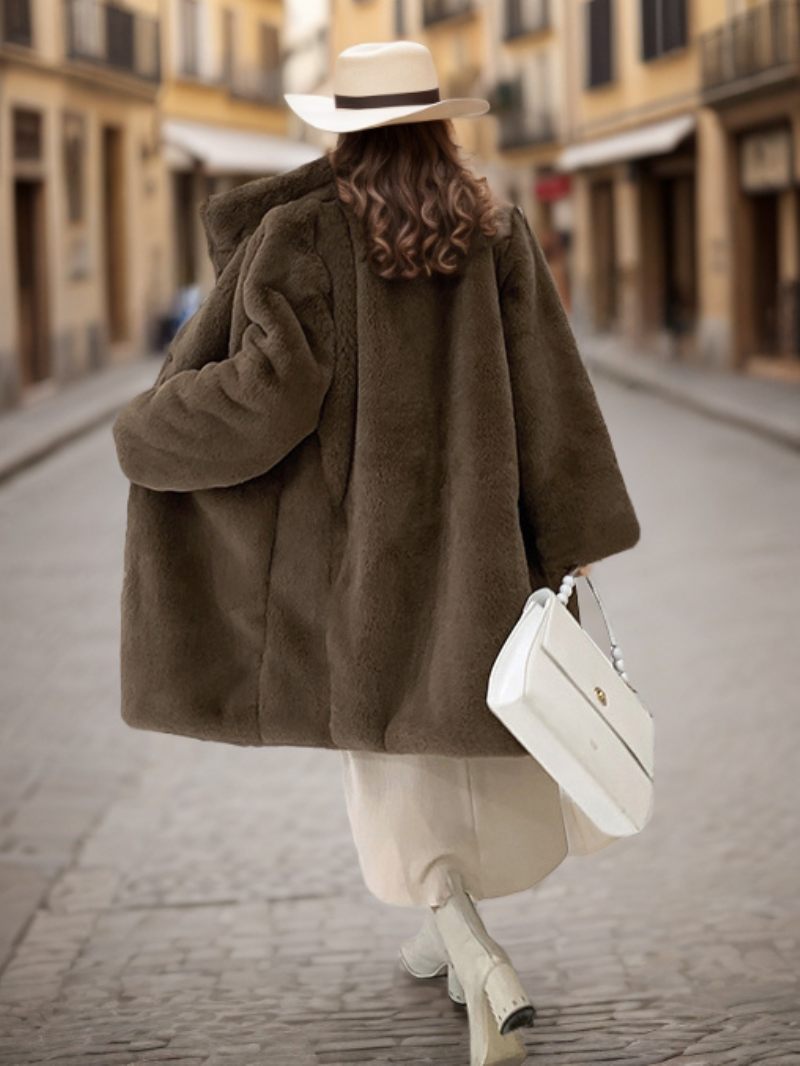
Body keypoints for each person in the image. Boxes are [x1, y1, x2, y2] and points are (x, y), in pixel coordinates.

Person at [111, 40, 641, 1066]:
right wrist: (568, 542)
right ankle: (441, 941)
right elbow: (552, 393)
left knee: (394, 782)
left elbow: (264, 399)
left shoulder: (302, 236)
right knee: (457, 757)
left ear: (338, 130)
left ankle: (479, 964)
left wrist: (149, 425)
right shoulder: (494, 227)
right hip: (482, 561)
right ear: (440, 122)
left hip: (361, 575)